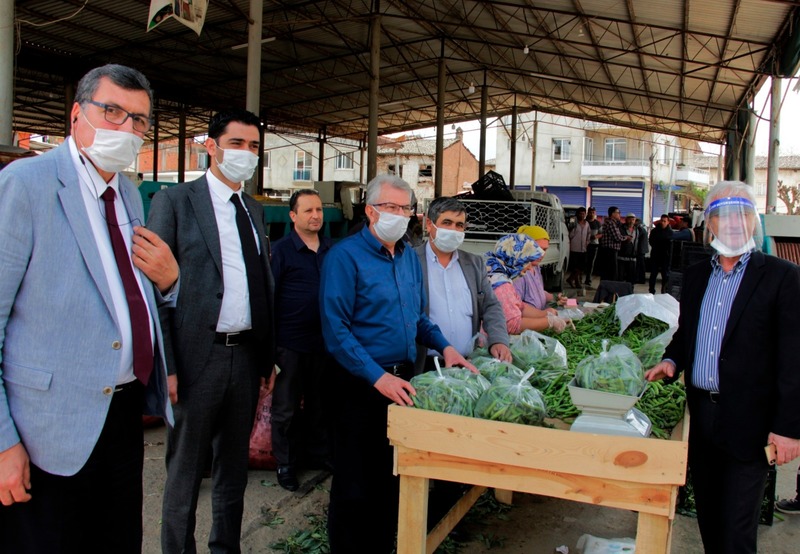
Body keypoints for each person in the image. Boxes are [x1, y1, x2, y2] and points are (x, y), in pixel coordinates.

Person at [0, 64, 178, 553]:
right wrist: (2, 444)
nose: (127, 128)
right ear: (77, 114)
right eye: (112, 111)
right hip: (46, 424)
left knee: (117, 539)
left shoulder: (128, 194)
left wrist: (170, 283)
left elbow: (127, 291)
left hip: (122, 412)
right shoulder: (27, 184)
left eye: (139, 120)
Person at [319, 174, 475, 553]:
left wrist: (447, 347)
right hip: (360, 384)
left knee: (391, 476)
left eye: (406, 208)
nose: (400, 215)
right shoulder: (345, 256)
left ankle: (381, 544)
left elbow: (418, 318)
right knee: (354, 483)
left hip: (403, 382)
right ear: (370, 211)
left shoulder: (406, 256)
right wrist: (377, 377)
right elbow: (335, 329)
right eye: (391, 207)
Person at [645, 181, 800, 554]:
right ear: (709, 224)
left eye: (742, 215)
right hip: (703, 415)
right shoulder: (698, 275)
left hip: (752, 422)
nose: (732, 224)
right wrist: (671, 359)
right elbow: (687, 333)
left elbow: (794, 357)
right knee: (710, 516)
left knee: (736, 528)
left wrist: (788, 430)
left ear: (753, 222)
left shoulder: (782, 277)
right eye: (722, 216)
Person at [147, 108, 276, 553]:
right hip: (195, 358)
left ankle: (226, 547)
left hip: (244, 357)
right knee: (185, 469)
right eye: (237, 144)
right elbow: (153, 289)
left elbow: (261, 286)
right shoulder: (176, 202)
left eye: (254, 146)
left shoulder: (254, 211)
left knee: (233, 469)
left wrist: (265, 356)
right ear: (211, 146)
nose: (246, 153)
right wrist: (166, 362)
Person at [269, 189, 332, 491]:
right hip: (289, 344)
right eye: (307, 210)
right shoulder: (280, 251)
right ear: (293, 216)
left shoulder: (333, 251)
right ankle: (286, 464)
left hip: (324, 344)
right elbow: (269, 298)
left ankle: (318, 455)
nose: (315, 215)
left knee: (321, 404)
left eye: (319, 210)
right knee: (287, 408)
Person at [414, 196, 512, 372]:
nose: (454, 230)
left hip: (467, 364)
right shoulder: (411, 261)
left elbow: (491, 306)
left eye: (459, 225)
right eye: (447, 222)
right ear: (429, 224)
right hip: (425, 365)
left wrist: (498, 340)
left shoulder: (474, 264)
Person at [486, 233, 571, 334]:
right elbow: (512, 325)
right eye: (527, 262)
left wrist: (545, 313)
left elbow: (520, 306)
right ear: (515, 257)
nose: (530, 267)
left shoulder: (502, 278)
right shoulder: (501, 285)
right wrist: (549, 321)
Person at [514, 225, 568, 311]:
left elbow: (538, 292)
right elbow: (516, 307)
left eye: (544, 249)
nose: (541, 254)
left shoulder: (536, 267)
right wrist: (544, 316)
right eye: (537, 248)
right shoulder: (517, 274)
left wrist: (555, 297)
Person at [597, 206, 628, 280]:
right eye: (618, 213)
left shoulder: (613, 223)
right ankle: (610, 288)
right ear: (613, 214)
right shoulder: (611, 223)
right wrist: (626, 237)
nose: (619, 214)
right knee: (611, 272)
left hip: (609, 250)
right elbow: (617, 237)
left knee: (608, 271)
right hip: (610, 251)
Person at [648, 214, 673, 294]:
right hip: (655, 254)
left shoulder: (670, 232)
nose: (662, 222)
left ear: (668, 222)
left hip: (665, 256)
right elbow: (651, 241)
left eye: (664, 221)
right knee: (653, 274)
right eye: (661, 221)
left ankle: (664, 290)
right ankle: (651, 290)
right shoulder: (654, 231)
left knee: (665, 275)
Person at [566, 206, 590, 289]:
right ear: (577, 214)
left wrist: (587, 242)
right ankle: (576, 282)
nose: (582, 215)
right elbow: (569, 231)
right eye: (580, 214)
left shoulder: (587, 223)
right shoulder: (573, 220)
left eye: (583, 214)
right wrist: (572, 226)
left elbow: (589, 233)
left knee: (581, 267)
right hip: (574, 247)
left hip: (583, 248)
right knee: (576, 267)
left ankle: (570, 279)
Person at [617, 213, 639, 285]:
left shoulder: (637, 230)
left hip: (632, 257)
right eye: (629, 219)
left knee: (631, 277)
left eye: (633, 219)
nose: (631, 221)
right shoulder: (620, 229)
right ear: (626, 220)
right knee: (620, 276)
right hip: (622, 256)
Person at [584, 206, 602, 288]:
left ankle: (588, 280)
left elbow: (602, 233)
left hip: (594, 245)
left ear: (595, 213)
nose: (591, 214)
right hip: (583, 245)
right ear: (588, 213)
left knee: (591, 264)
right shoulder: (584, 222)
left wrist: (596, 236)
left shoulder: (598, 223)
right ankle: (579, 279)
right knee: (583, 263)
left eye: (593, 212)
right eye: (590, 212)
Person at [635, 217, 649, 284]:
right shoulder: (643, 227)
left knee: (640, 264)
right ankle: (641, 278)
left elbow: (637, 237)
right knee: (641, 264)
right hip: (643, 249)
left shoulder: (639, 228)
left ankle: (640, 278)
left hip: (640, 249)